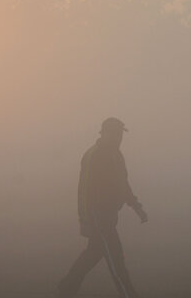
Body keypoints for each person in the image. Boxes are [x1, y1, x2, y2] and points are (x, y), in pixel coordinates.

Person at [57, 117, 148, 298]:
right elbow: (83, 191)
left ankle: (67, 286)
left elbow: (123, 183)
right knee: (116, 257)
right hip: (99, 217)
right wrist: (84, 220)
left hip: (111, 214)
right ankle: (129, 293)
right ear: (104, 133)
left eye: (120, 134)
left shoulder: (117, 155)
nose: (119, 138)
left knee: (93, 253)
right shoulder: (93, 156)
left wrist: (136, 206)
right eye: (115, 134)